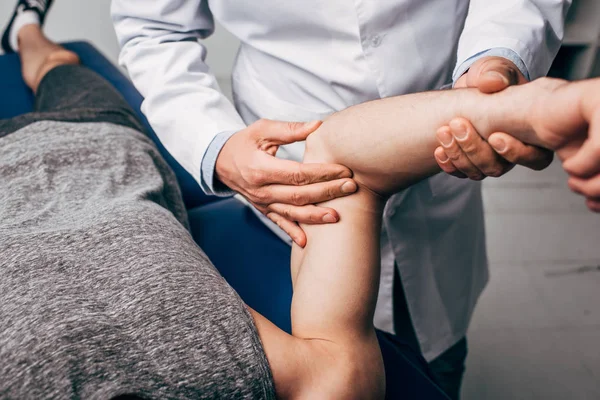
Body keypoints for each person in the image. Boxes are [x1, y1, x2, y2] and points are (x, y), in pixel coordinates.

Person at [2, 1, 599, 399]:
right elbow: (337, 154)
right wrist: (219, 146)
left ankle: (26, 28)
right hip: (120, 165)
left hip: (90, 150)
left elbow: (339, 153)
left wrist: (496, 72)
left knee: (54, 65)